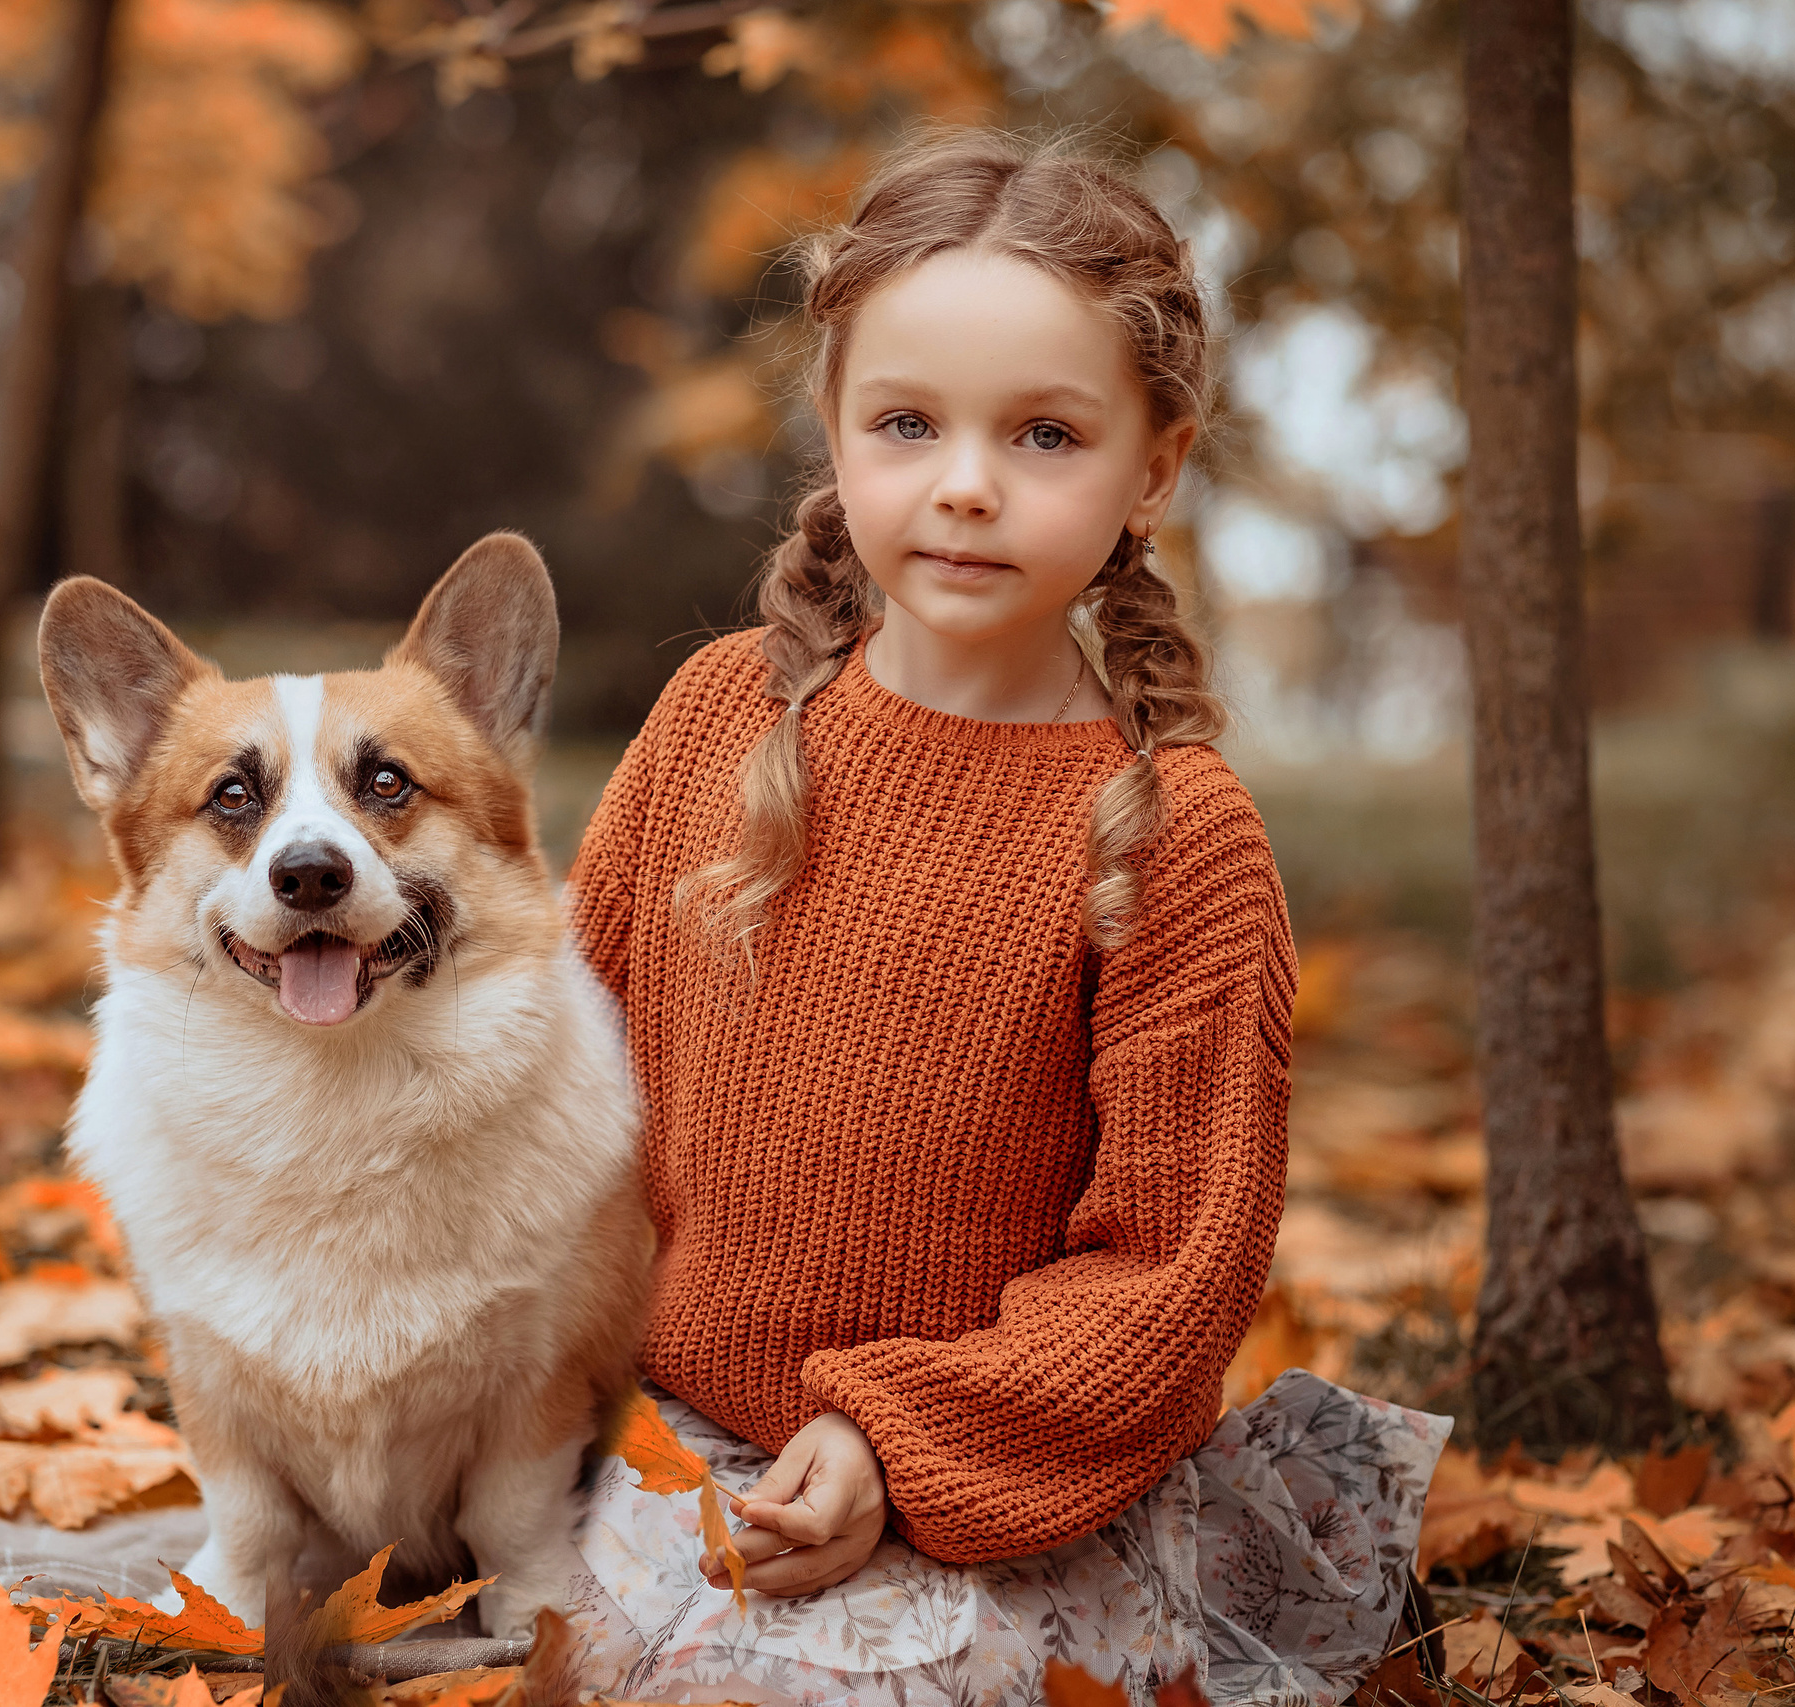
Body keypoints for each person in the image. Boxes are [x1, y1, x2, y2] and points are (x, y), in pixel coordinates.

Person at [555, 128, 1449, 1706]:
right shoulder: (714, 722)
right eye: (907, 422)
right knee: (493, 1620)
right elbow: (556, 1066)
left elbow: (1167, 1273)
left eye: (1045, 435)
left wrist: (897, 1441)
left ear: (1154, 466)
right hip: (668, 1424)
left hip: (1001, 1479)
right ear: (834, 431)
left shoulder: (1177, 838)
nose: (966, 486)